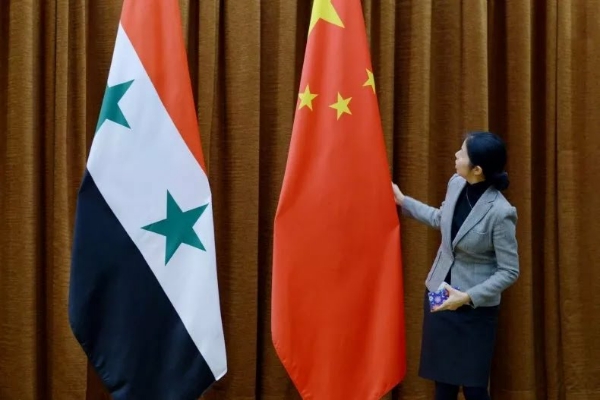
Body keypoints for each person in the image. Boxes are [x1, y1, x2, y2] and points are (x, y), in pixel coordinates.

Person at [392, 131, 520, 400]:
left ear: (477, 169)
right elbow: (441, 219)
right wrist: (403, 202)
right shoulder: (456, 183)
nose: (456, 155)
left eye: (462, 153)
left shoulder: (501, 212)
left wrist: (467, 296)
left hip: (474, 308)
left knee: (474, 388)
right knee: (443, 384)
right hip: (440, 294)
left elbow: (509, 270)